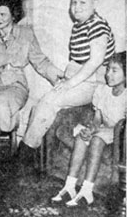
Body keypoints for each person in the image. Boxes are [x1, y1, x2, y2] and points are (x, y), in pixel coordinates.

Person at [0, 0, 63, 188]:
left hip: (14, 85)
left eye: (3, 14)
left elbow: (40, 61)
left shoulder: (26, 35)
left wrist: (58, 77)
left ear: (14, 14)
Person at [22, 0, 116, 150]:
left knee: (48, 102)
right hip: (80, 79)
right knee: (42, 104)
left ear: (95, 4)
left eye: (82, 3)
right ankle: (28, 152)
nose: (77, 7)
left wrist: (69, 84)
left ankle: (24, 155)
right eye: (74, 2)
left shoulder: (97, 25)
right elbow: (76, 63)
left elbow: (95, 62)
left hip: (94, 82)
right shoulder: (79, 26)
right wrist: (65, 78)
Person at [51, 52, 126, 207]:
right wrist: (91, 129)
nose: (108, 74)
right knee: (81, 136)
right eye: (107, 70)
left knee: (97, 140)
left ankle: (87, 190)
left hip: (121, 134)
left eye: (114, 70)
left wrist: (98, 133)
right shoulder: (102, 90)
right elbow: (97, 119)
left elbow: (122, 126)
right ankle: (70, 186)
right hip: (104, 129)